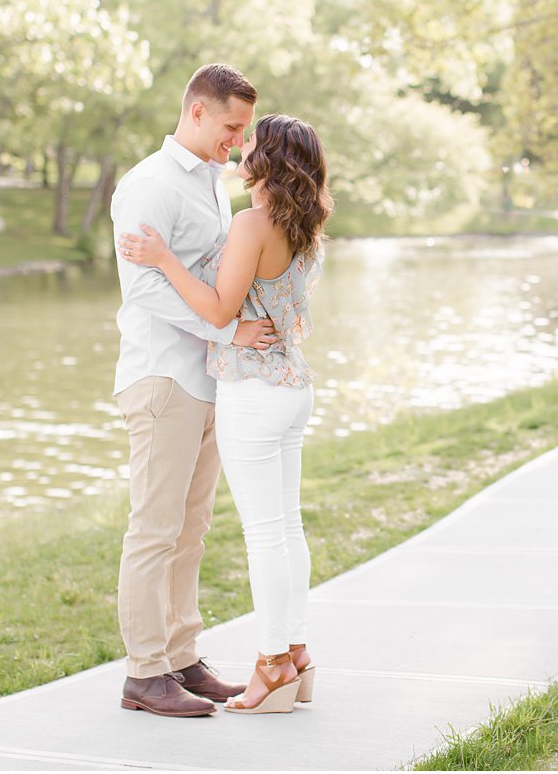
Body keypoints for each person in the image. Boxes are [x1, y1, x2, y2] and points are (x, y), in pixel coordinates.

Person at [118, 112, 331, 715]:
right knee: (287, 528)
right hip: (292, 387)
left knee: (267, 534)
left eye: (251, 143)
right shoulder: (306, 225)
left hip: (255, 393)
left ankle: (269, 666)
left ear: (269, 162)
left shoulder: (250, 224)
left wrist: (163, 257)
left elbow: (217, 311)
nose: (240, 149)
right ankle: (294, 654)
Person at [109, 63, 280, 719]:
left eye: (244, 131)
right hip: (162, 378)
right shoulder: (147, 186)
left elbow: (209, 270)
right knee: (154, 529)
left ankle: (181, 656)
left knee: (192, 528)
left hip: (206, 373)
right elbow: (146, 288)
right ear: (199, 112)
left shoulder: (212, 182)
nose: (238, 142)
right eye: (232, 127)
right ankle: (143, 671)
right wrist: (230, 326)